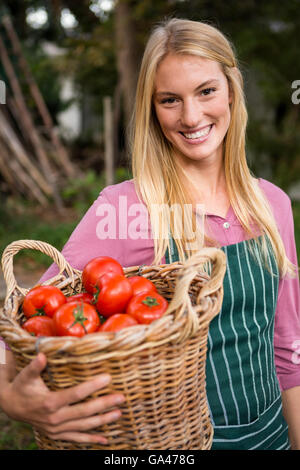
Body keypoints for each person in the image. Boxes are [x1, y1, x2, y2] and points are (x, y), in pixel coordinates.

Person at [0, 18, 299, 450]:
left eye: (206, 91)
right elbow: (29, 318)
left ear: (232, 90)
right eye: (170, 100)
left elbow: (288, 348)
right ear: (153, 110)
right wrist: (11, 399)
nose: (191, 116)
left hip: (270, 435)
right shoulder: (126, 208)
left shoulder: (273, 205)